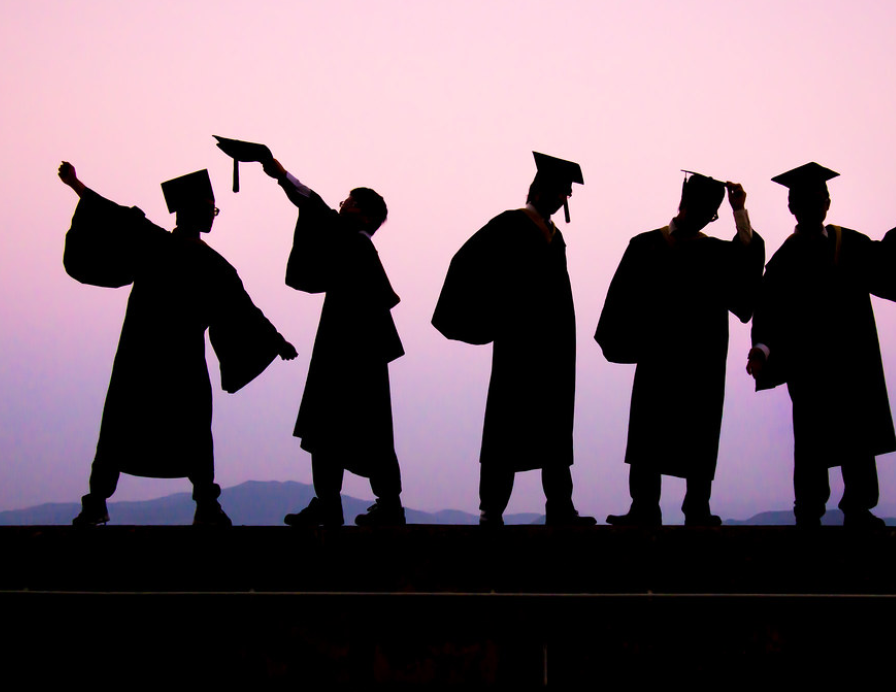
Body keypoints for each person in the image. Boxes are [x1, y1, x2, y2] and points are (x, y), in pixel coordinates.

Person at [59, 162, 297, 527]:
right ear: (188, 211)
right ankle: (101, 501)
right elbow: (111, 212)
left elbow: (242, 307)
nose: (212, 216)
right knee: (129, 430)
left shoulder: (199, 260)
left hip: (166, 359)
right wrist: (77, 185)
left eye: (214, 210)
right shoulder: (161, 245)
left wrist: (275, 339)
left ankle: (201, 503)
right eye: (209, 208)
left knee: (181, 432)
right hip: (152, 359)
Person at [746, 163, 896, 527]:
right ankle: (809, 509)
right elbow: (768, 310)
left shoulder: (846, 243)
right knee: (810, 438)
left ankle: (858, 507)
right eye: (805, 199)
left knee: (857, 435)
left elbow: (887, 257)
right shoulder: (784, 260)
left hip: (852, 362)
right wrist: (762, 349)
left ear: (828, 202)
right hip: (809, 367)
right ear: (792, 207)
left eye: (820, 198)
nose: (815, 204)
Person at [433, 152, 596, 527]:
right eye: (557, 192)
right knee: (506, 426)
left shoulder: (557, 238)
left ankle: (560, 507)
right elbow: (466, 263)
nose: (561, 199)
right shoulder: (509, 224)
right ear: (538, 191)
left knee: (554, 429)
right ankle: (491, 509)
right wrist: (493, 317)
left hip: (553, 349)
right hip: (518, 347)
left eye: (565, 194)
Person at [596, 173, 764, 526]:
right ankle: (643, 508)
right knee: (648, 434)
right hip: (658, 357)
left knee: (699, 433)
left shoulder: (716, 253)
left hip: (702, 361)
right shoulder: (644, 245)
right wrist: (627, 342)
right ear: (683, 205)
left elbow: (747, 268)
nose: (707, 218)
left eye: (712, 214)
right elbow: (620, 302)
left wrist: (739, 212)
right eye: (705, 210)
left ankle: (697, 509)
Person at [249, 149, 406, 527]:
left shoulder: (355, 244)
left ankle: (372, 505)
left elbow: (312, 205)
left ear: (366, 216)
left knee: (338, 428)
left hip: (351, 355)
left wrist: (276, 169)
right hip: (353, 352)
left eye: (349, 204)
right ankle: (348, 504)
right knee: (342, 430)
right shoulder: (354, 246)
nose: (341, 208)